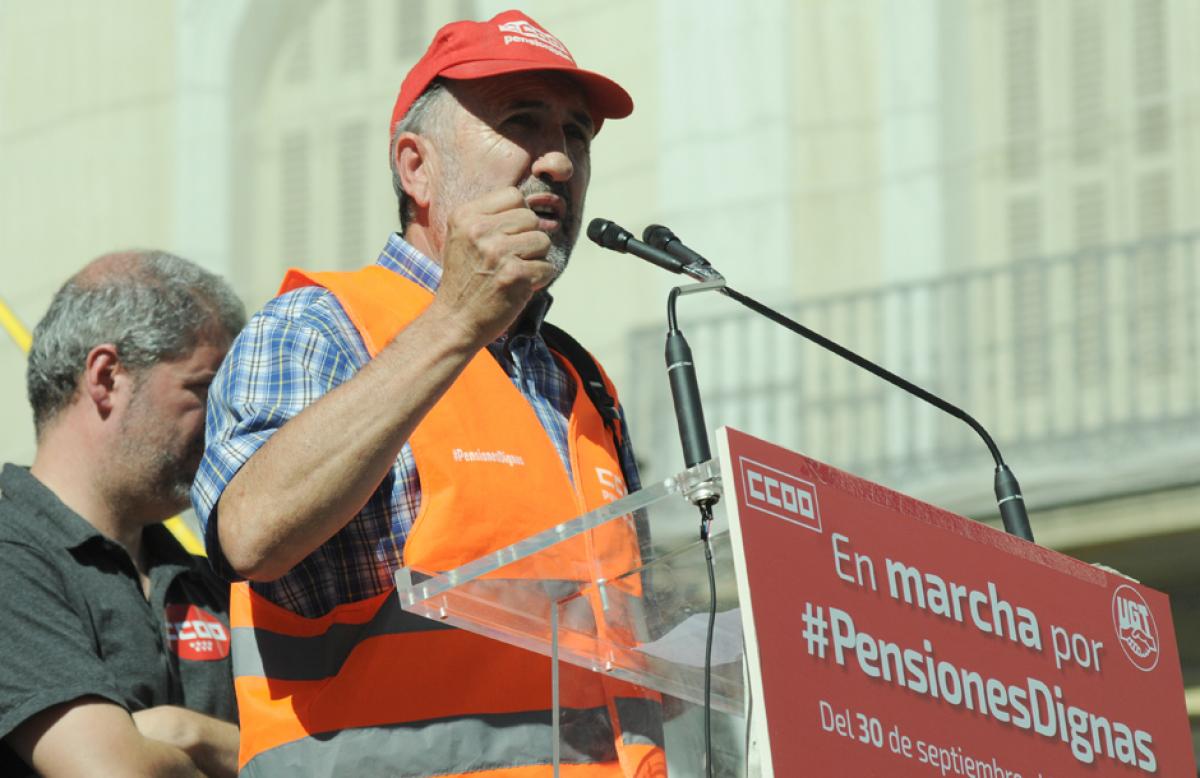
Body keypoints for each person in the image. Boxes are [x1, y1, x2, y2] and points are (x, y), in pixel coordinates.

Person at [193, 9, 666, 777]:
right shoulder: (317, 328)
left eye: (577, 133)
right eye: (522, 122)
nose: (559, 163)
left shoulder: (579, 384)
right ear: (416, 168)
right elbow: (251, 532)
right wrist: (455, 320)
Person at [0, 250, 245, 777]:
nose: (228, 423)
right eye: (205, 388)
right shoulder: (11, 555)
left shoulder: (204, 577)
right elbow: (112, 771)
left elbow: (307, 750)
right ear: (106, 377)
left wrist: (190, 733)